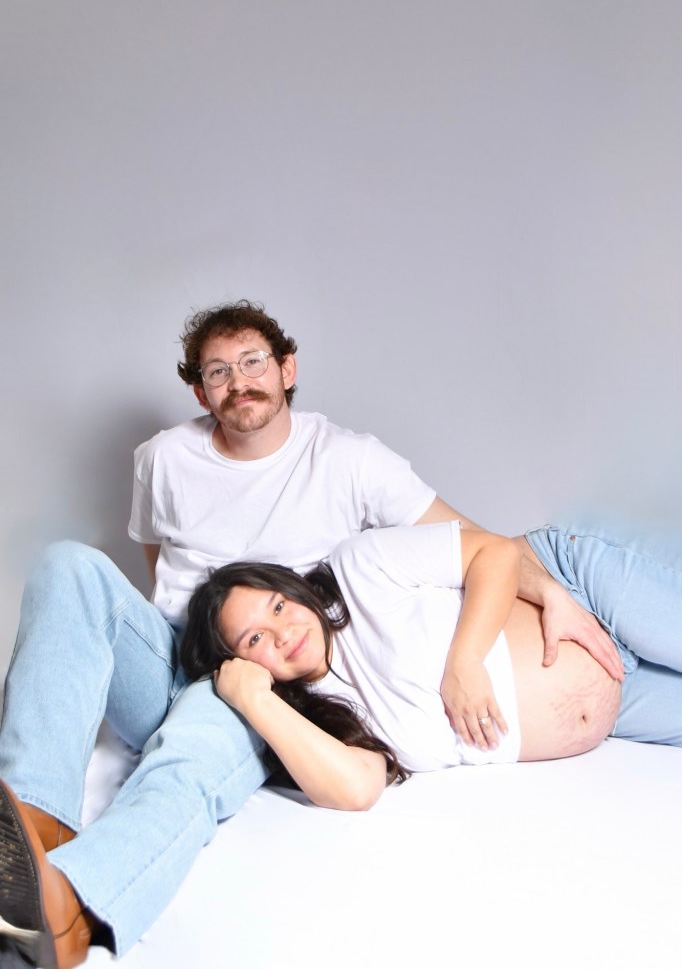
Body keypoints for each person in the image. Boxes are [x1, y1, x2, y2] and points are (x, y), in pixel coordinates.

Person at [0, 300, 619, 968]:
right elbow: (159, 561)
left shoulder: (349, 459)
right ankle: (32, 826)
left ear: (286, 368)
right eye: (218, 371)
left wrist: (547, 589)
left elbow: (467, 535)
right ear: (200, 391)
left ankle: (75, 904)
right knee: (67, 565)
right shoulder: (163, 458)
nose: (238, 381)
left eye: (253, 362)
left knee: (193, 745)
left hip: (256, 673)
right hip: (176, 651)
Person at [179, 519, 681, 809]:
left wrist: (464, 663)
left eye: (278, 606)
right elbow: (357, 791)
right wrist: (254, 700)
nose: (284, 633)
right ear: (241, 663)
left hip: (577, 590)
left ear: (292, 589)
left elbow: (495, 554)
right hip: (620, 701)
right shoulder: (324, 723)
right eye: (255, 639)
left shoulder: (359, 568)